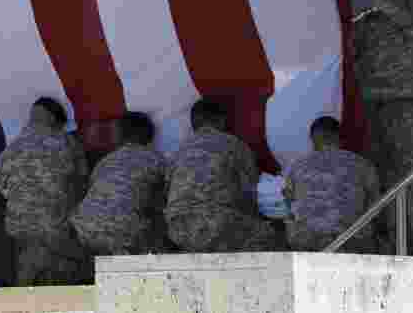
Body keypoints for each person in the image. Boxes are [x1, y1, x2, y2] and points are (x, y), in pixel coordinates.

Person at [331, 0, 413, 253]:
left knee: (412, 170)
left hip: (407, 103)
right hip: (374, 103)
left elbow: (390, 5)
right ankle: (392, 236)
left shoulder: (411, 11)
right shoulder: (368, 20)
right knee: (381, 171)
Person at [164, 99, 279, 252]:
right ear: (222, 120)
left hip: (178, 230)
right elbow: (251, 191)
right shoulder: (234, 144)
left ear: (193, 123)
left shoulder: (176, 151)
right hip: (217, 224)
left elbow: (166, 192)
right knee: (271, 236)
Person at [0, 98, 88, 286]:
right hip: (56, 229)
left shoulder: (11, 149)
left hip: (20, 229)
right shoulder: (67, 142)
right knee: (59, 288)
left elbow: (3, 188)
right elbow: (82, 185)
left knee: (26, 284)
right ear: (56, 119)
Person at [70, 112, 168, 256]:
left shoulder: (105, 161)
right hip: (121, 237)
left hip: (80, 232)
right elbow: (166, 201)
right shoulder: (157, 160)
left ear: (123, 134)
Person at [282, 117, 381, 253]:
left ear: (312, 138)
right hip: (352, 240)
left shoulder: (296, 166)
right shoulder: (362, 164)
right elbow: (376, 204)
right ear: (339, 137)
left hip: (307, 241)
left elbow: (288, 203)